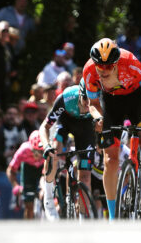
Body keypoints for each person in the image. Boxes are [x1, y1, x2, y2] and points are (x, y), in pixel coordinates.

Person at [83, 38, 141, 218]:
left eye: (108, 66)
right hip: (111, 102)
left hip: (136, 99)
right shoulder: (89, 70)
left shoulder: (131, 63)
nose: (103, 71)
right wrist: (98, 118)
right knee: (109, 160)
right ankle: (113, 217)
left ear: (117, 63)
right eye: (100, 66)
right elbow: (93, 103)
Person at [39, 81, 99, 220]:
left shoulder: (99, 101)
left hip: (86, 127)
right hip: (66, 121)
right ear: (79, 94)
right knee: (53, 150)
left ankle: (83, 218)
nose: (88, 104)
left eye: (92, 100)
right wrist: (46, 146)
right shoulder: (66, 98)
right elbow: (44, 127)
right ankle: (48, 198)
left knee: (85, 176)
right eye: (85, 99)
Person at [6, 130, 45, 219]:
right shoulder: (23, 150)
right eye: (35, 151)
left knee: (46, 198)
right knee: (29, 206)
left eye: (41, 152)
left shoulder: (48, 150)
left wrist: (45, 188)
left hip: (42, 170)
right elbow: (10, 170)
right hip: (28, 170)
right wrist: (15, 186)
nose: (39, 155)